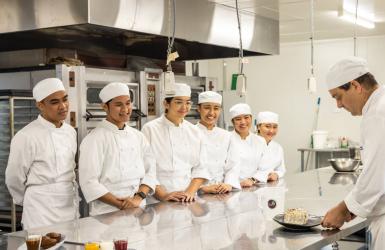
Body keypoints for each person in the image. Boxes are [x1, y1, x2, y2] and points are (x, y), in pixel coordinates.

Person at [321, 57, 385, 249]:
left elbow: (378, 175)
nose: (338, 105)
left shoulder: (378, 113)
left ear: (356, 85)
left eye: (338, 97)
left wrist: (343, 209)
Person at [6, 78, 78, 229]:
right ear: (40, 105)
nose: (63, 106)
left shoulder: (70, 132)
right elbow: (14, 177)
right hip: (40, 210)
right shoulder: (26, 136)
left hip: (68, 204)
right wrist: (29, 200)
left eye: (65, 99)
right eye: (54, 102)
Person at [79, 82, 157, 216]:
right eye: (118, 104)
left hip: (138, 208)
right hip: (107, 213)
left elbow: (150, 171)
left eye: (128, 103)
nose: (125, 109)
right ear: (105, 107)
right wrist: (122, 204)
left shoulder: (138, 136)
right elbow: (89, 182)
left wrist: (137, 199)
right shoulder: (94, 139)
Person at [141, 83, 210, 202]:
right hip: (157, 199)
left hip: (188, 197)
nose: (184, 107)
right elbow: (145, 169)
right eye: (178, 102)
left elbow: (201, 168)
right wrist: (163, 196)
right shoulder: (150, 129)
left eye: (188, 102)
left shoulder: (195, 132)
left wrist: (189, 192)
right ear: (166, 104)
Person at [196, 91, 241, 193]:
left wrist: (229, 184)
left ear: (220, 110)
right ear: (199, 109)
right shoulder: (190, 133)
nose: (212, 113)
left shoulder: (227, 136)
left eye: (216, 108)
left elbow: (233, 165)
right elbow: (184, 168)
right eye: (207, 107)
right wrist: (201, 188)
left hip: (221, 191)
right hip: (196, 194)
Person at [229, 103, 264, 188]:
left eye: (246, 117)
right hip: (232, 188)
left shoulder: (260, 141)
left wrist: (253, 180)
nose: (243, 122)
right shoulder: (226, 139)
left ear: (251, 119)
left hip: (255, 187)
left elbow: (265, 166)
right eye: (238, 119)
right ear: (233, 122)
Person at [254, 111, 286, 182]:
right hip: (251, 186)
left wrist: (276, 174)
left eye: (275, 127)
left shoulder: (278, 147)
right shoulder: (251, 143)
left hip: (271, 186)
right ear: (258, 127)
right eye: (267, 126)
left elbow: (281, 169)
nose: (271, 130)